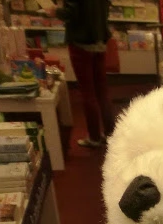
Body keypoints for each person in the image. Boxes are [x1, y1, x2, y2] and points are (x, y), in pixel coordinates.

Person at [48, 0, 115, 148]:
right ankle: (111, 134)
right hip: (99, 39)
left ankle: (94, 137)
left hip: (81, 41)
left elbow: (71, 13)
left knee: (87, 92)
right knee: (102, 91)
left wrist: (56, 11)